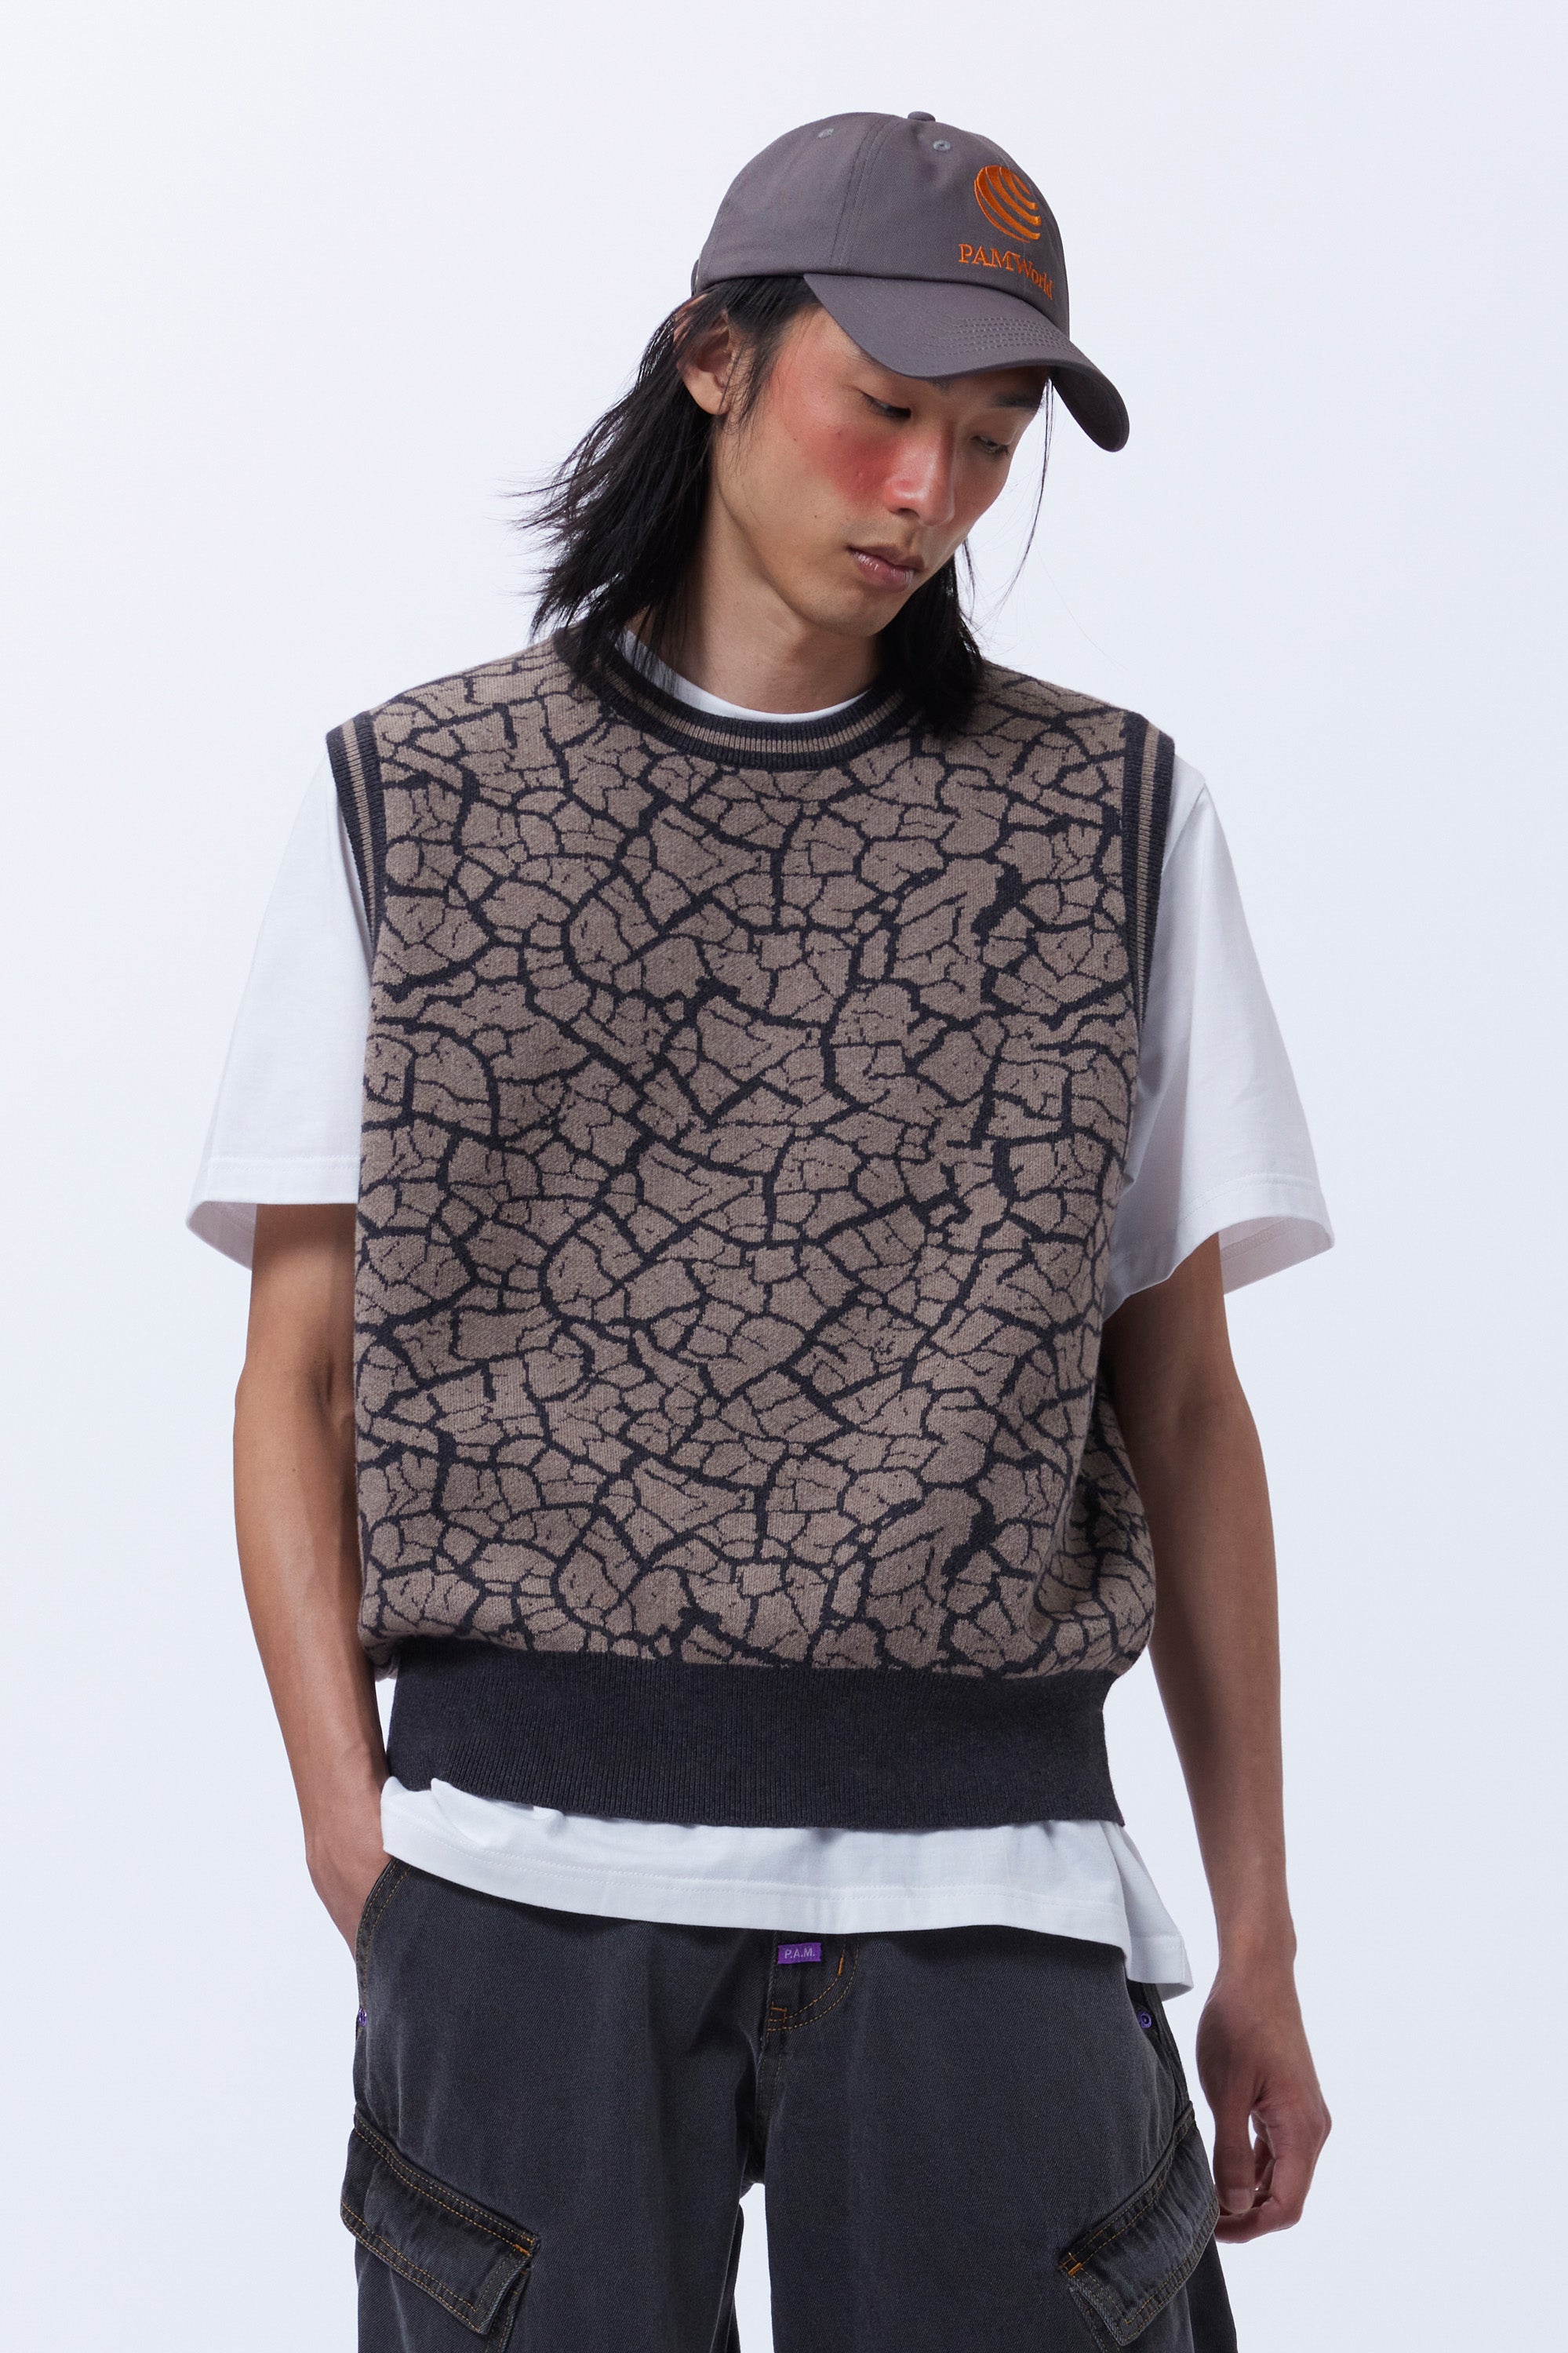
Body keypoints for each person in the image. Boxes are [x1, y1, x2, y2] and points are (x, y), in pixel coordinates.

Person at [191, 108, 1333, 2351]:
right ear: (713, 359)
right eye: (881, 411)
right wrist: (358, 1839)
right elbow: (293, 1376)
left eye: (990, 445)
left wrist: (1262, 1936)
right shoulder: (417, 799)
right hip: (517, 1882)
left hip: (992, 1893)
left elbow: (1189, 1410)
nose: (927, 496)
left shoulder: (1113, 818)